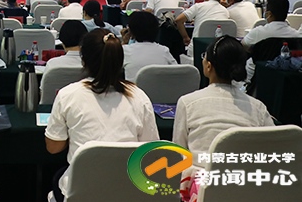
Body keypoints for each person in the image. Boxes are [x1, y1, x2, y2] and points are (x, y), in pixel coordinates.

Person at [45, 29, 159, 202]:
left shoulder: (68, 95)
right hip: (130, 192)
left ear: (83, 60)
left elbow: (53, 147)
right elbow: (151, 151)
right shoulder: (139, 96)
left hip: (81, 193)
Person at [173, 36, 273, 162]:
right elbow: (273, 149)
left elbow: (178, 154)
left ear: (208, 66)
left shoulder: (187, 103)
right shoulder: (258, 108)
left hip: (200, 173)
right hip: (243, 173)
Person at [241, 0, 301, 82]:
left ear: (269, 14)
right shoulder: (296, 36)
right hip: (285, 80)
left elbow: (243, 45)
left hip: (256, 77)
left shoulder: (258, 32)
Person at [122, 11, 176, 81]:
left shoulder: (125, 50)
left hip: (133, 88)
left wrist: (124, 42)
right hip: (161, 87)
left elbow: (111, 70)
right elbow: (178, 71)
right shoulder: (164, 51)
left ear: (131, 31)